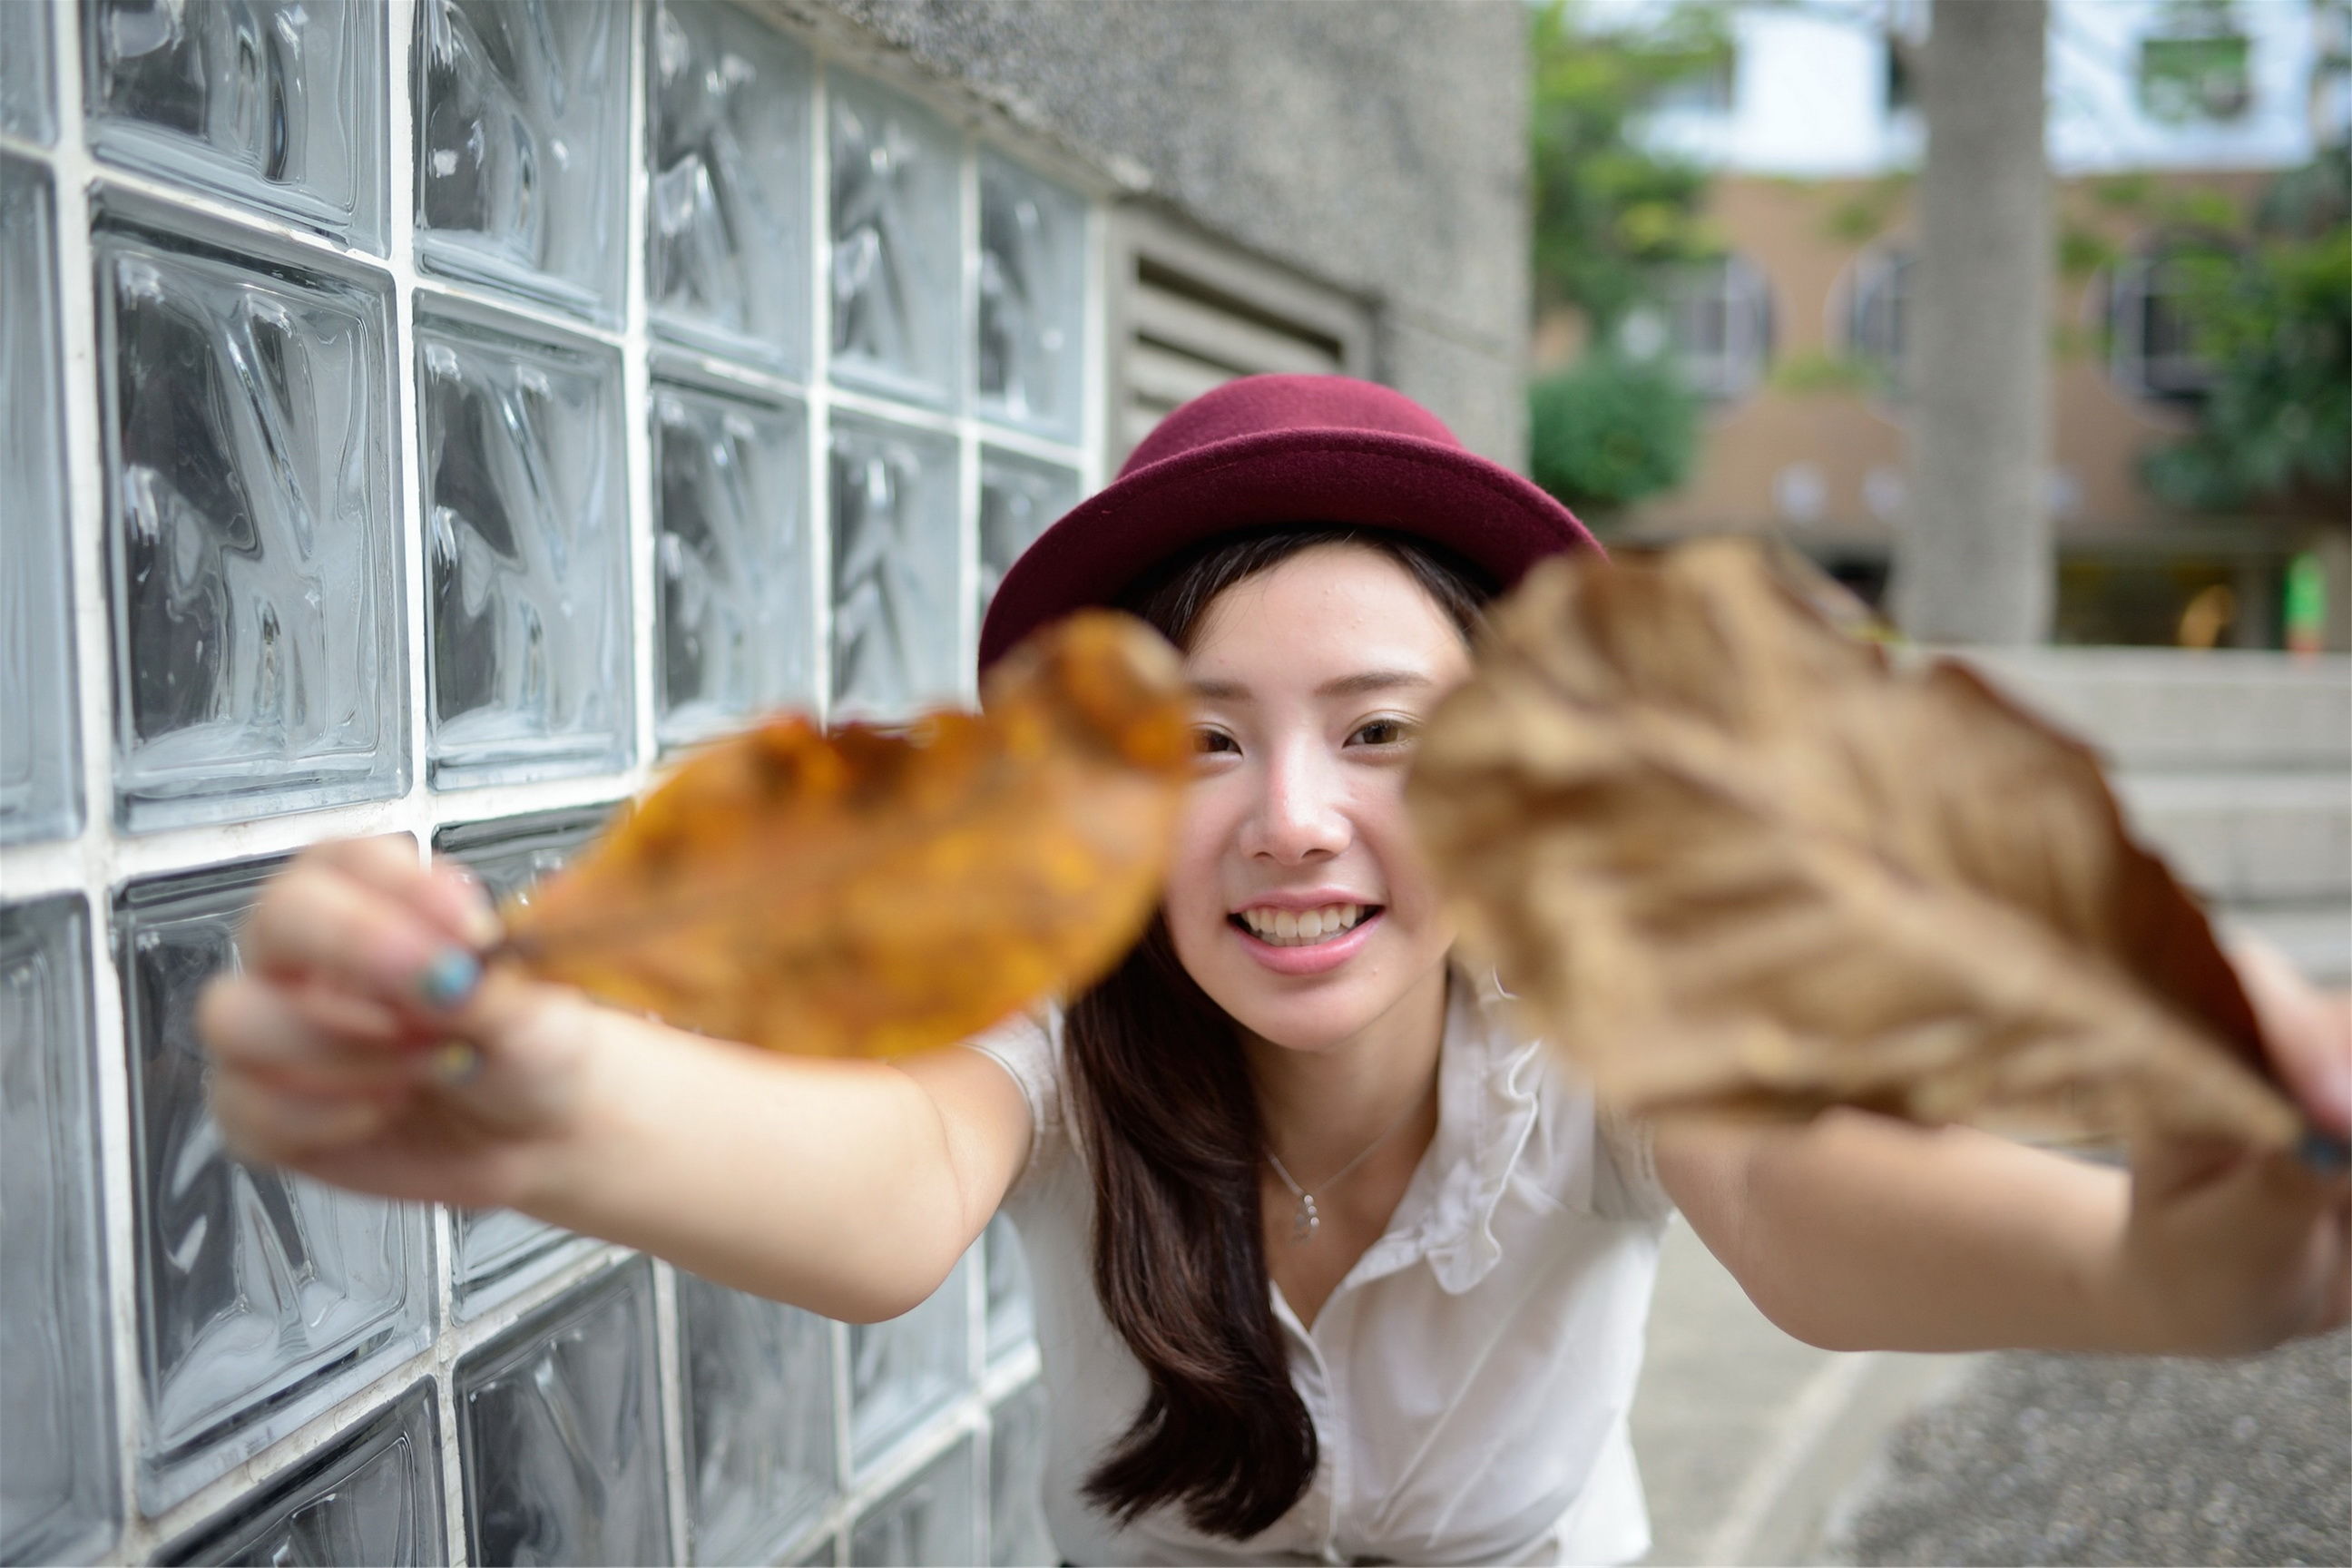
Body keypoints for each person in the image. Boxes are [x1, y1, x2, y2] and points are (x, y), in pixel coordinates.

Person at [199, 376, 2348, 1566]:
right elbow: (884, 1197)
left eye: (1385, 735)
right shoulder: (1058, 998)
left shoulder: (1582, 995)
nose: (1294, 817)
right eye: (1203, 739)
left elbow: (1799, 1205)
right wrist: (529, 1084)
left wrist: (2153, 1273)